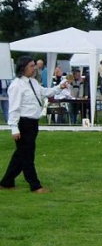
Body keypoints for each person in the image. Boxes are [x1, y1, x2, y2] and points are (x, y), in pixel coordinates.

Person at [0, 56, 69, 193]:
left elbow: (44, 92)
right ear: (23, 67)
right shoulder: (16, 85)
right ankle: (35, 185)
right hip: (23, 123)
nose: (34, 68)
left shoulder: (33, 82)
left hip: (32, 123)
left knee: (21, 155)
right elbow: (13, 108)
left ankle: (6, 182)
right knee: (27, 156)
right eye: (32, 66)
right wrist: (14, 128)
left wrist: (59, 87)